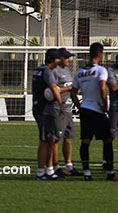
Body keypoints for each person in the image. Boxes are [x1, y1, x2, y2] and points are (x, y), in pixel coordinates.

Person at [71, 42, 118, 181]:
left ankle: (86, 173)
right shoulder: (101, 70)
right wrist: (105, 106)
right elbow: (103, 88)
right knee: (107, 140)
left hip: (85, 109)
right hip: (97, 110)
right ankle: (110, 172)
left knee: (85, 141)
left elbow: (73, 93)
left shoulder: (80, 72)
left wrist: (80, 106)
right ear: (100, 54)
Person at [32, 48, 64, 181]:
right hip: (45, 109)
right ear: (54, 59)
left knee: (50, 139)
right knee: (45, 140)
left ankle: (49, 170)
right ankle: (40, 172)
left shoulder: (38, 70)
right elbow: (53, 89)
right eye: (59, 58)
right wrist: (61, 104)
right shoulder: (47, 71)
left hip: (38, 107)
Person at [53, 48, 80, 177]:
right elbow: (52, 90)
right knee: (56, 138)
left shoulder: (67, 71)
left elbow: (70, 87)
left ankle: (69, 166)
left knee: (69, 138)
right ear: (60, 58)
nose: (70, 60)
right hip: (59, 109)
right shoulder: (54, 71)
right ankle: (55, 166)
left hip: (68, 109)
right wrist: (69, 88)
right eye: (67, 57)